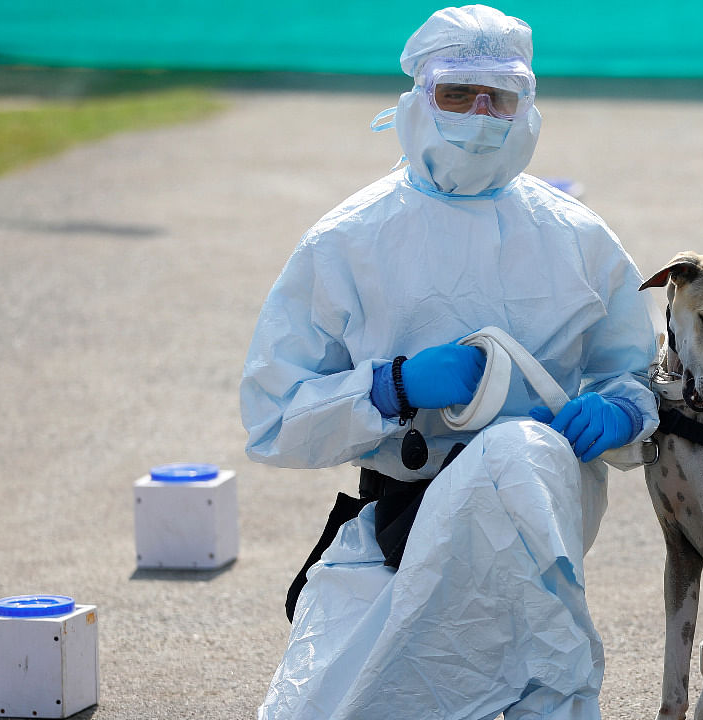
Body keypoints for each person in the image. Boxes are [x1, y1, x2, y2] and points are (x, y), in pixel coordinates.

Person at [240, 5, 659, 719]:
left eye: (503, 95)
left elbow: (637, 370)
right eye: (458, 93)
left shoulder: (577, 238)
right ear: (415, 100)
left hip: (542, 503)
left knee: (515, 454)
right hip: (404, 515)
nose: (483, 114)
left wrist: (624, 409)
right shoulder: (349, 241)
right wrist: (390, 385)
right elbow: (273, 415)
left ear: (530, 105)